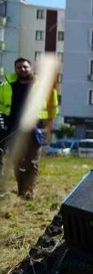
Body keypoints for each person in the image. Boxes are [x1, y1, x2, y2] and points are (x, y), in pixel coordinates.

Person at [0, 58, 60, 199]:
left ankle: (28, 193)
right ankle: (21, 192)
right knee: (18, 163)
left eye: (25, 67)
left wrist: (47, 126)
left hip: (35, 129)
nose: (22, 69)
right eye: (19, 67)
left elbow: (52, 109)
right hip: (13, 130)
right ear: (15, 70)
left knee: (32, 163)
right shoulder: (6, 86)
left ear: (31, 68)